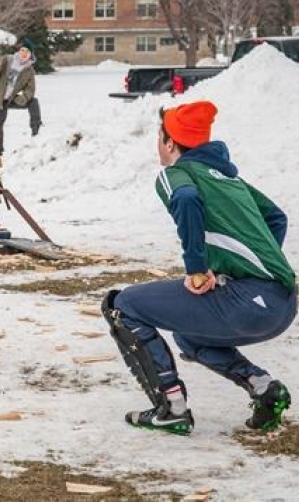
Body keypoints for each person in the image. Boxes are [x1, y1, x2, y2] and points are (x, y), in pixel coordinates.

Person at [102, 101, 296, 435]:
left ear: (169, 143)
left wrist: (197, 268)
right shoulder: (228, 179)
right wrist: (243, 270)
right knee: (189, 336)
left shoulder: (175, 173)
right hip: (283, 304)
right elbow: (277, 217)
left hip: (246, 304)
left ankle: (170, 408)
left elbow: (186, 199)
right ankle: (263, 388)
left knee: (122, 305)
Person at [0, 39, 42, 157]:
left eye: (27, 52)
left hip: (11, 99)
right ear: (19, 51)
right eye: (22, 50)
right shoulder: (5, 61)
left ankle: (36, 132)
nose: (23, 53)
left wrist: (24, 98)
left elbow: (30, 89)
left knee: (33, 102)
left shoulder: (29, 70)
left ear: (31, 54)